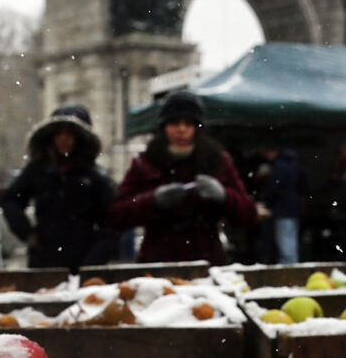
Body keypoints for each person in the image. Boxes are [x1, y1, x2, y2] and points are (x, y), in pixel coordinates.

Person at [107, 89, 257, 264]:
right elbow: (117, 214)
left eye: (188, 123)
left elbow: (248, 213)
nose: (181, 130)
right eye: (174, 123)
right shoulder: (145, 162)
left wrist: (224, 196)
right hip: (157, 262)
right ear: (164, 127)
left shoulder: (217, 160)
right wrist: (153, 201)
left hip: (207, 261)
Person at [0, 104, 117, 272]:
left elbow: (112, 224)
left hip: (83, 261)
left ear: (80, 138)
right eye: (59, 133)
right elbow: (11, 200)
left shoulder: (95, 177)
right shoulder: (38, 171)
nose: (63, 139)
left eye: (70, 134)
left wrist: (93, 261)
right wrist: (28, 234)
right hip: (44, 263)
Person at [257, 146, 307, 264]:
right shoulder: (294, 165)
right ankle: (292, 266)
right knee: (291, 242)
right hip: (293, 209)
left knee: (285, 245)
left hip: (283, 210)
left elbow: (273, 188)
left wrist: (265, 201)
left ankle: (288, 269)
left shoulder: (279, 167)